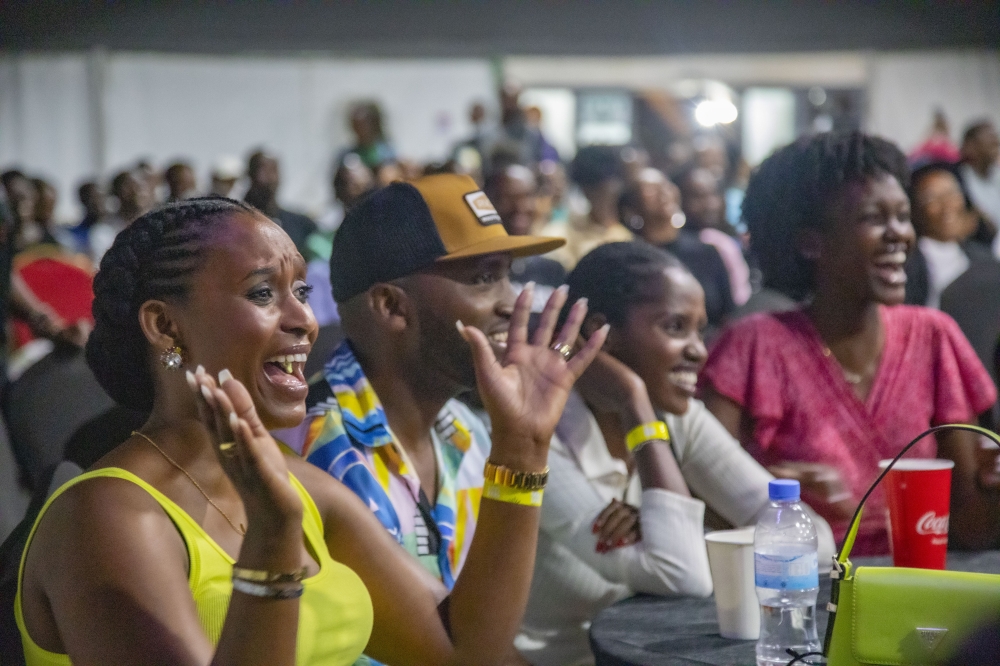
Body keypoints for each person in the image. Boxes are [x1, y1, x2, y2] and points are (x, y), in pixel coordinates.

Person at [14, 195, 606, 665]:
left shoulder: (298, 484)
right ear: (167, 327)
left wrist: (520, 448)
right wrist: (271, 546)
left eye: (300, 291)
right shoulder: (108, 516)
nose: (302, 318)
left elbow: (460, 649)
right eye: (263, 293)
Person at [517, 241, 834, 666]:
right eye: (674, 327)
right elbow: (681, 574)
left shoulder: (682, 420)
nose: (699, 350)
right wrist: (634, 404)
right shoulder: (539, 440)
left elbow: (814, 545)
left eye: (699, 330)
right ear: (601, 334)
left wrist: (680, 529)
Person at [700, 131, 1000, 556]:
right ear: (810, 242)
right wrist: (770, 499)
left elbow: (971, 529)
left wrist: (993, 487)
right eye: (875, 218)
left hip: (914, 588)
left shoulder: (933, 336)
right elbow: (706, 510)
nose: (900, 235)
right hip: (798, 594)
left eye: (902, 216)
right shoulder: (753, 347)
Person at [275, 173, 565, 600]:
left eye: (507, 275)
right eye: (484, 279)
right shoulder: (314, 451)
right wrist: (523, 454)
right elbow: (456, 647)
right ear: (392, 306)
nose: (511, 301)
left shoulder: (463, 428)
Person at [618, 168, 734, 334]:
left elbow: (728, 314)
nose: (663, 192)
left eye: (666, 185)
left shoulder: (706, 252)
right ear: (631, 208)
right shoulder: (629, 260)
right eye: (651, 189)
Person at [904, 163, 990, 308]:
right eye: (932, 198)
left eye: (952, 193)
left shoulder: (983, 257)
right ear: (914, 210)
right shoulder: (908, 265)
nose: (947, 204)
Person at [484, 164, 566, 310]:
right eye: (508, 198)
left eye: (527, 196)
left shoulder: (553, 270)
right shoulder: (477, 270)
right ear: (487, 203)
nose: (520, 207)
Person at [541, 146, 633, 270]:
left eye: (605, 188)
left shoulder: (629, 234)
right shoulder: (559, 233)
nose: (602, 197)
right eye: (593, 189)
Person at [675, 165, 751, 306]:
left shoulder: (732, 236)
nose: (710, 204)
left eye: (714, 194)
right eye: (697, 197)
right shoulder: (687, 249)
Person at [244, 150, 318, 258]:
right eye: (261, 169)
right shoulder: (235, 224)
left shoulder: (302, 225)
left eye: (272, 170)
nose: (267, 178)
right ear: (250, 175)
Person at [89, 169, 153, 264]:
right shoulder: (103, 231)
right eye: (129, 186)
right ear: (117, 193)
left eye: (140, 186)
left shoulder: (159, 225)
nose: (137, 191)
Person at [958, 120, 1000, 256]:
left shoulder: (996, 174)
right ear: (971, 147)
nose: (996, 145)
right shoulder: (960, 179)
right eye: (990, 143)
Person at [338, 101, 397, 172]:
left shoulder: (386, 151)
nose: (360, 129)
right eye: (356, 124)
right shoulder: (347, 155)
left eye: (363, 124)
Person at [69, 181, 106, 254]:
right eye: (93, 198)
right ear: (82, 200)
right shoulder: (74, 236)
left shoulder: (116, 229)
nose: (98, 202)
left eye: (101, 197)